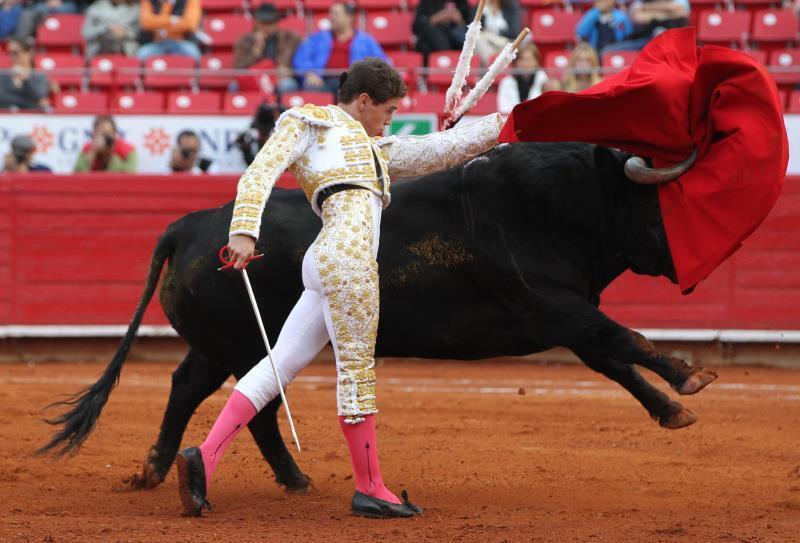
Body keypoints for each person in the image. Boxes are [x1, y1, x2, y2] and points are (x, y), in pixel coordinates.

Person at [175, 57, 503, 519]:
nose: (389, 120)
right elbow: (259, 172)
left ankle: (204, 460)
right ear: (363, 100)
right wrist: (243, 232)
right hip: (348, 261)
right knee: (355, 372)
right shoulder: (308, 120)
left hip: (324, 260)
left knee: (279, 364)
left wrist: (508, 123)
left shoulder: (376, 150)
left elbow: (440, 149)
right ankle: (370, 486)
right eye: (387, 110)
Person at [292, 2, 386, 94]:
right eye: (331, 13)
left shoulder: (366, 40)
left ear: (349, 17)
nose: (331, 17)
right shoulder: (317, 37)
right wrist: (310, 73)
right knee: (311, 86)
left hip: (353, 84)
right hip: (323, 82)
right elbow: (302, 58)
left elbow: (381, 62)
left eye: (336, 13)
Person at [233, 3, 301, 94]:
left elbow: (299, 63)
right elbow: (238, 68)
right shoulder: (245, 41)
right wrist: (256, 51)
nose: (265, 27)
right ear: (256, 23)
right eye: (263, 23)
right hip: (254, 78)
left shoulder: (291, 38)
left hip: (278, 78)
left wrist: (288, 70)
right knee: (234, 86)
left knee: (287, 85)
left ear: (277, 23)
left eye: (269, 23)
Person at [602, 0, 689, 53]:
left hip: (673, 41)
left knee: (659, 32)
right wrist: (667, 12)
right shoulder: (642, 1)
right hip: (644, 41)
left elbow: (681, 12)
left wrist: (648, 11)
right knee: (607, 51)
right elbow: (637, 17)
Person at [137, 0, 201, 61]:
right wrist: (172, 20)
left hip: (181, 41)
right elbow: (146, 23)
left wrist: (158, 22)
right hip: (156, 42)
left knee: (194, 53)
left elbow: (190, 24)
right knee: (142, 54)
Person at [497, 42, 548, 115]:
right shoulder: (506, 83)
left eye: (529, 59)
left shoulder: (543, 80)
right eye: (522, 59)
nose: (526, 63)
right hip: (513, 122)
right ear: (516, 62)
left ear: (536, 62)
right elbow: (503, 109)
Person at [0, 38, 51, 110]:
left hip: (31, 118)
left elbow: (40, 95)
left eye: (15, 53)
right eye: (9, 53)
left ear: (29, 53)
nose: (11, 57)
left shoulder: (39, 76)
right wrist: (30, 101)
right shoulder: (3, 75)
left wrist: (26, 79)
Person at [234, 101, 283, 167]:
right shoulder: (251, 137)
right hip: (256, 166)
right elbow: (251, 165)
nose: (263, 136)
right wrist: (244, 146)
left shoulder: (278, 135)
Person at [474, 0, 521, 64]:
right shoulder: (481, 6)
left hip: (505, 42)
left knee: (480, 39)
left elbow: (514, 32)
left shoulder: (511, 6)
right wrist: (484, 9)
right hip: (487, 42)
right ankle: (492, 64)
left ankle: (492, 65)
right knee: (478, 38)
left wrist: (495, 31)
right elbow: (475, 27)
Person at [13, 0, 79, 41]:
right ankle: (21, 43)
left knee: (71, 8)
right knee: (28, 13)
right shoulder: (38, 7)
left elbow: (73, 8)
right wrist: (50, 4)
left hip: (65, 5)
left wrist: (57, 4)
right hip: (44, 6)